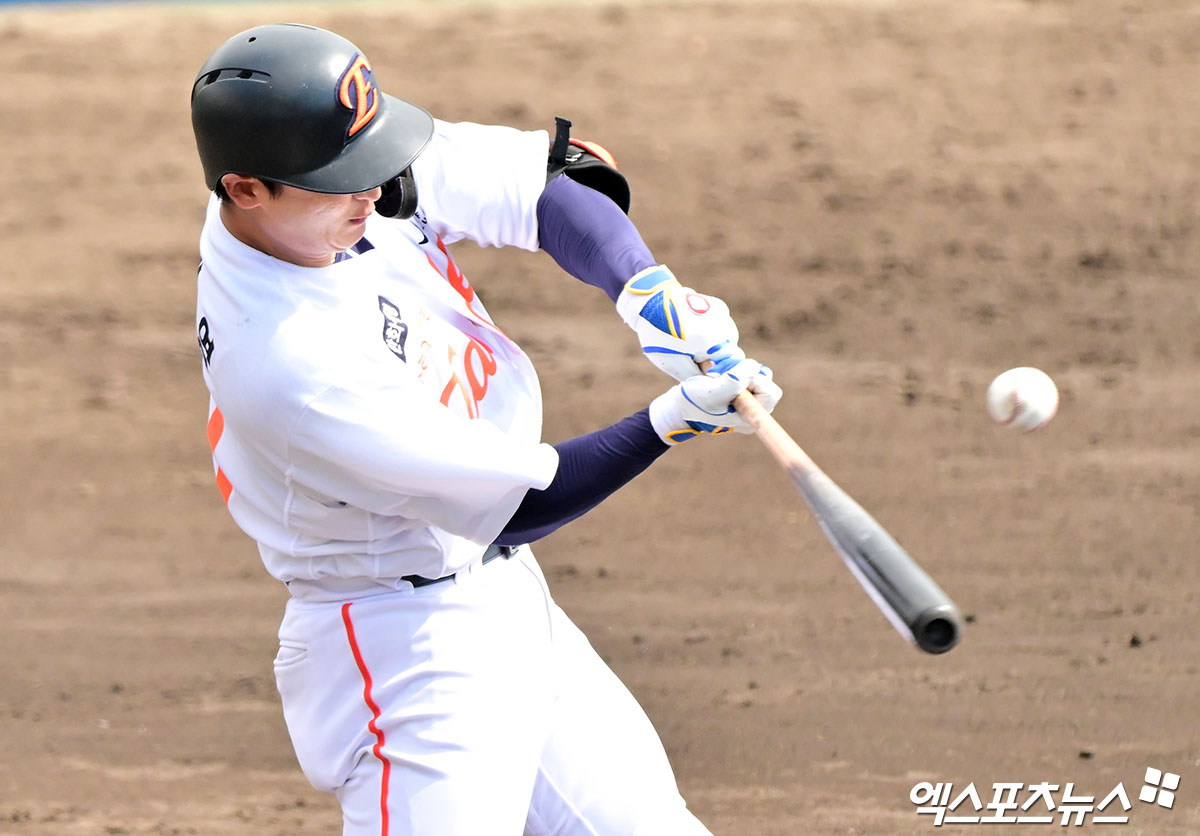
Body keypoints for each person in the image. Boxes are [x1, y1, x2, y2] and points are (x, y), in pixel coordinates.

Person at [190, 22, 782, 836]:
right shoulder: (292, 368)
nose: (375, 193)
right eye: (345, 182)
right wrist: (666, 423)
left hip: (508, 602)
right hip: (406, 658)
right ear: (246, 189)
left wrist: (648, 291)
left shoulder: (308, 187)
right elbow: (521, 504)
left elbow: (550, 185)